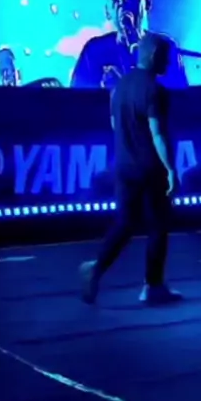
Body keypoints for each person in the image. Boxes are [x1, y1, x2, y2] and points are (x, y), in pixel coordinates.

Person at [79, 31, 182, 305]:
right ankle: (153, 286)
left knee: (125, 223)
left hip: (124, 167)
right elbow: (158, 134)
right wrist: (171, 169)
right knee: (158, 225)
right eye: (166, 57)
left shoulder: (119, 87)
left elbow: (116, 125)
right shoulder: (155, 91)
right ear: (154, 55)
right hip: (150, 168)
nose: (168, 63)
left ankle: (96, 267)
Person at [71, 0, 187, 90]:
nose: (122, 1)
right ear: (107, 11)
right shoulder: (94, 52)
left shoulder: (164, 48)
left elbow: (180, 99)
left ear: (147, 2)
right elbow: (76, 99)